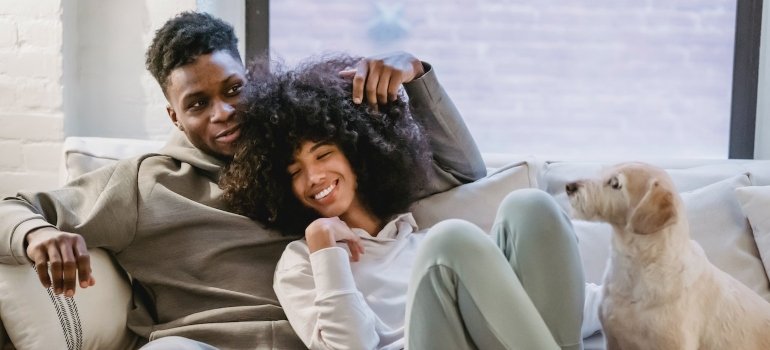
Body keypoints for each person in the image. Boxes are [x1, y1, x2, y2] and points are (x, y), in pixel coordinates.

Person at [0, 11, 485, 349]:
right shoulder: (146, 184)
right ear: (174, 116)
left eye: (233, 90)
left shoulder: (308, 165)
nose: (223, 113)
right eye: (197, 104)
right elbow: (12, 208)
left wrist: (417, 75)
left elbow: (462, 174)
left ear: (251, 80)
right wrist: (36, 233)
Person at [219, 56, 590, 350]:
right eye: (295, 171)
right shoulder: (302, 261)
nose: (313, 176)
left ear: (356, 153)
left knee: (530, 207)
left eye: (323, 154)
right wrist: (325, 250)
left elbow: (567, 302)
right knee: (451, 242)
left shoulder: (416, 233)